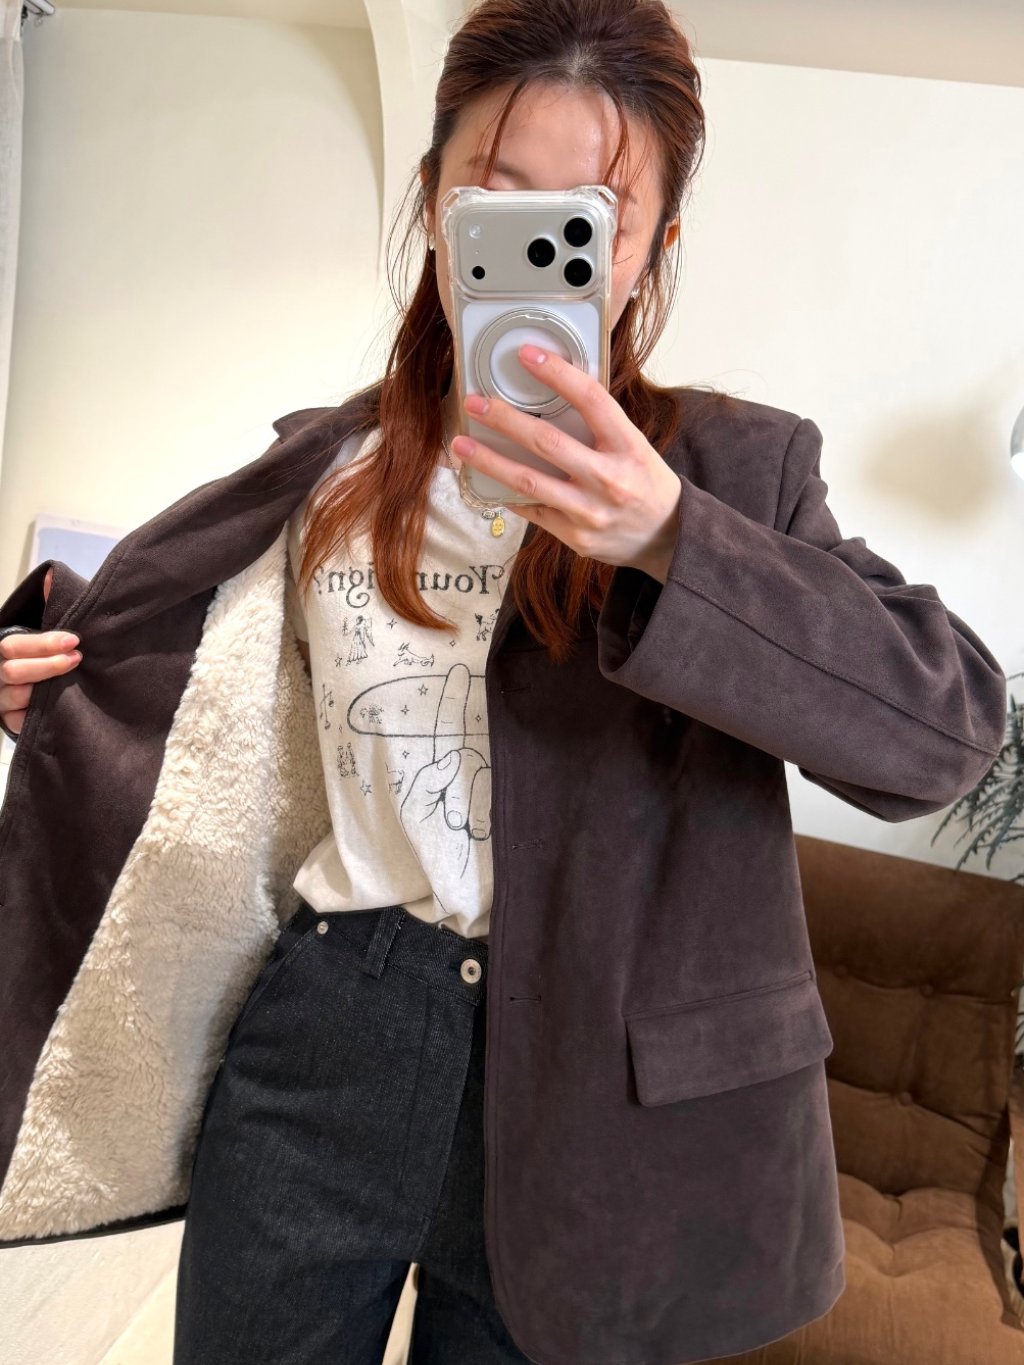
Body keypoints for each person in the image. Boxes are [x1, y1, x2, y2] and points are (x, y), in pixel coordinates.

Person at [0, 2, 1008, 1363]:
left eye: (592, 215)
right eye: (497, 190)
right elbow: (229, 716)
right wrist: (64, 695)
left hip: (595, 1092)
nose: (537, 240)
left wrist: (672, 538)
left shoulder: (734, 475)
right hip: (329, 1026)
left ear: (651, 244)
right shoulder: (331, 469)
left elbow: (945, 730)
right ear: (435, 201)